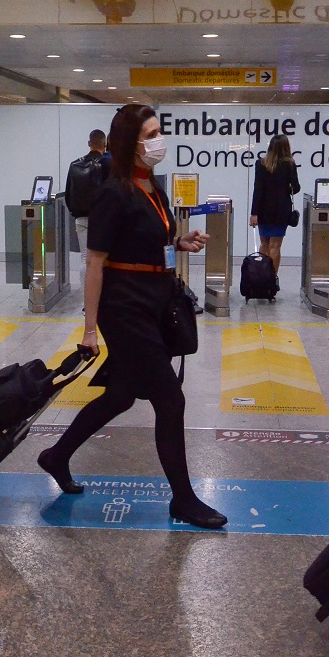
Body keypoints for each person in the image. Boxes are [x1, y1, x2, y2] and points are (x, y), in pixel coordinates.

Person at [36, 104, 227, 529]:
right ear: (130, 143)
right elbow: (96, 261)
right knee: (170, 400)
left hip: (153, 301)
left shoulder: (151, 186)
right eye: (151, 134)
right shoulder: (112, 192)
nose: (159, 141)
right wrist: (90, 329)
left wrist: (181, 242)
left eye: (160, 132)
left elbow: (147, 240)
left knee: (121, 395)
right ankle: (183, 499)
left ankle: (56, 455)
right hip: (124, 309)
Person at [249, 134, 300, 281]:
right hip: (281, 210)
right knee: (276, 245)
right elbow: (295, 188)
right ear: (286, 147)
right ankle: (272, 279)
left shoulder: (261, 164)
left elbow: (257, 189)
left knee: (264, 243)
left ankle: (261, 277)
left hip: (263, 210)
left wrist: (254, 213)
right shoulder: (289, 164)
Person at [65, 128, 110, 292]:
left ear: (89, 144)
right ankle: (100, 297)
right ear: (104, 145)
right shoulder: (107, 165)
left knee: (85, 258)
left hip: (81, 218)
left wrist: (76, 212)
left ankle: (87, 300)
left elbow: (68, 195)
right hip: (102, 220)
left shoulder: (75, 164)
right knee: (101, 260)